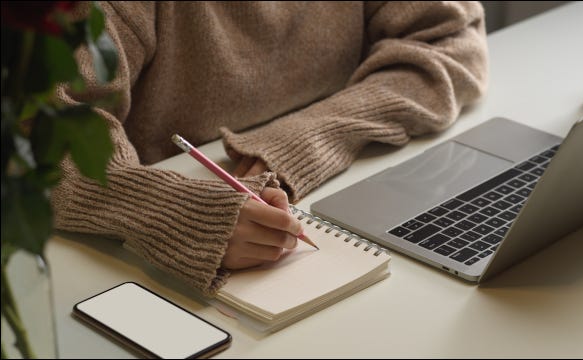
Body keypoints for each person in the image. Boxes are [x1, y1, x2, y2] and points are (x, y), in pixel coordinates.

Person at [52, 1, 488, 297]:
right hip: (143, 273)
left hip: (326, 201)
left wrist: (307, 138)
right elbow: (38, 124)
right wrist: (173, 211)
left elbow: (453, 42)